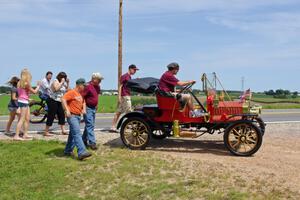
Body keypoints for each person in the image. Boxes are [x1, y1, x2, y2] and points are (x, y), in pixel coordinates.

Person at [62, 78, 92, 161]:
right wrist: (67, 110)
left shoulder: (80, 94)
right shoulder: (72, 92)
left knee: (73, 134)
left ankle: (67, 151)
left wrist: (84, 109)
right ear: (79, 85)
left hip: (78, 116)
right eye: (84, 86)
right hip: (72, 116)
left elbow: (83, 102)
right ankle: (82, 152)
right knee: (77, 133)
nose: (85, 87)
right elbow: (63, 99)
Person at [14, 69, 40, 141]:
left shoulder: (19, 82)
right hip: (24, 102)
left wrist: (28, 99)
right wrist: (38, 86)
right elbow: (34, 92)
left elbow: (22, 94)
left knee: (27, 119)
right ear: (27, 75)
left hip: (23, 101)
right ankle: (16, 136)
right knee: (22, 119)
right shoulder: (26, 83)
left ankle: (25, 134)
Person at [111, 64, 139, 131]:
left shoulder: (129, 77)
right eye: (134, 70)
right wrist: (119, 96)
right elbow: (120, 86)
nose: (135, 71)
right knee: (129, 111)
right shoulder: (125, 76)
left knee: (119, 112)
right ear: (130, 69)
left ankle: (113, 127)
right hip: (125, 96)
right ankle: (130, 125)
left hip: (126, 95)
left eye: (136, 70)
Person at [82, 73, 104, 150]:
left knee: (89, 125)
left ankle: (83, 140)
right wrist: (83, 108)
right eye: (99, 80)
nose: (100, 81)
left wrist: (97, 104)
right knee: (90, 125)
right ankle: (92, 143)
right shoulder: (87, 86)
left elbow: (96, 95)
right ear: (94, 79)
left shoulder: (97, 86)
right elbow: (82, 97)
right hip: (88, 108)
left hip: (93, 108)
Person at [44, 72, 69, 137]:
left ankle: (63, 130)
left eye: (65, 77)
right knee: (51, 115)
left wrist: (67, 83)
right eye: (63, 77)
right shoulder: (56, 81)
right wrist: (61, 82)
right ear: (59, 77)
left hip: (59, 101)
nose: (64, 78)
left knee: (62, 115)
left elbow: (66, 90)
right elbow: (56, 89)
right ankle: (46, 131)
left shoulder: (63, 84)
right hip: (52, 100)